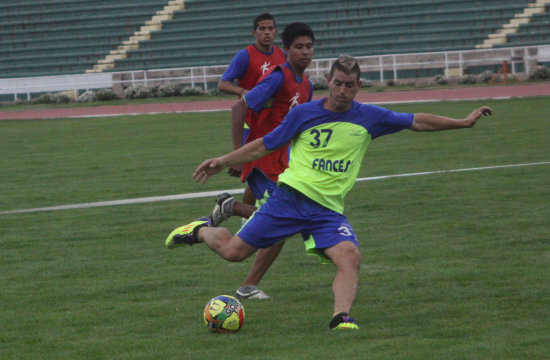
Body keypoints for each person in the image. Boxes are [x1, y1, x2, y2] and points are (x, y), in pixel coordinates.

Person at [165, 54, 492, 330]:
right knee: (233, 253)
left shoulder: (369, 117)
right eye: (338, 83)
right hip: (289, 199)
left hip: (327, 211)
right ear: (329, 82)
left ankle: (340, 318)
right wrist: (223, 161)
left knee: (350, 256)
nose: (343, 90)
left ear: (358, 87)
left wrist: (463, 122)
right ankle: (201, 230)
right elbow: (265, 144)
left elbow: (417, 121)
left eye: (350, 85)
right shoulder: (304, 114)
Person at [212, 22, 314, 300]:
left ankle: (230, 207)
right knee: (282, 219)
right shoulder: (277, 77)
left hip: (282, 160)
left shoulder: (307, 84)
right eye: (298, 47)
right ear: (287, 50)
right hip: (259, 157)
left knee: (282, 220)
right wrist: (235, 156)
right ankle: (210, 233)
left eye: (309, 47)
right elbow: (238, 107)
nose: (304, 52)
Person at [217, 13, 286, 210]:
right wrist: (241, 91)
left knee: (263, 176)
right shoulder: (245, 56)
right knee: (257, 173)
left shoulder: (281, 55)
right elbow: (222, 84)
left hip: (274, 124)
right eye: (262, 29)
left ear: (276, 31)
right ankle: (247, 218)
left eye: (270, 28)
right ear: (254, 32)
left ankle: (241, 214)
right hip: (251, 123)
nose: (266, 32)